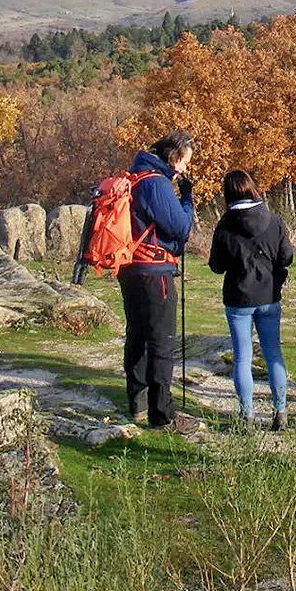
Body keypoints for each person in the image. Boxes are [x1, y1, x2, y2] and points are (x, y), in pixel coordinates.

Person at [119, 131, 199, 434]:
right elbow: (180, 227)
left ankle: (137, 403)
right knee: (161, 341)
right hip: (154, 271)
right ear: (174, 157)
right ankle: (161, 414)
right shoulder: (156, 183)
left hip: (129, 267)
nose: (185, 168)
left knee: (137, 334)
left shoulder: (135, 175)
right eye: (185, 162)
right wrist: (187, 200)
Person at [208, 169, 292, 430]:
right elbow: (286, 257)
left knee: (242, 358)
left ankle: (247, 415)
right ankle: (280, 412)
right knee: (273, 354)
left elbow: (216, 266)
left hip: (238, 298)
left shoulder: (224, 226)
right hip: (268, 295)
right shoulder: (274, 221)